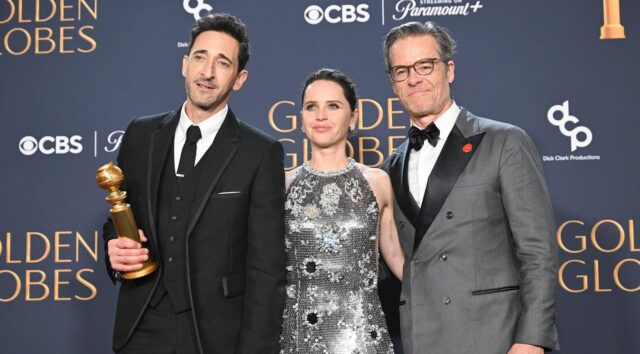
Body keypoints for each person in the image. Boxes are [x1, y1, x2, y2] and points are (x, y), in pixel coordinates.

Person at [102, 13, 286, 354]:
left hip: (215, 336)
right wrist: (114, 246)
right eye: (200, 57)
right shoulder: (141, 135)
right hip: (140, 326)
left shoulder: (260, 152)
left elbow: (267, 271)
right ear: (185, 64)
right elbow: (118, 220)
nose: (207, 72)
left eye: (223, 62)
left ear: (240, 78)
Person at [380, 22, 560, 354]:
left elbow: (538, 253)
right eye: (402, 71)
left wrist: (532, 340)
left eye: (425, 65)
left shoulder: (504, 142)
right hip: (422, 338)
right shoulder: (389, 168)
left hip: (495, 336)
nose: (414, 78)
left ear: (449, 70)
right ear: (393, 83)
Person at [278, 68, 404, 353]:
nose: (321, 116)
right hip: (299, 339)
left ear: (353, 117)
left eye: (333, 105)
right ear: (301, 119)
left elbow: (396, 257)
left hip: (364, 337)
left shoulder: (377, 182)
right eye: (312, 107)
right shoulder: (283, 184)